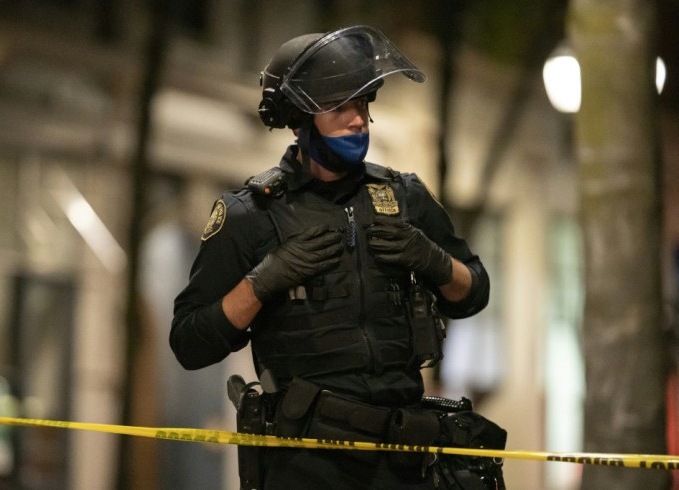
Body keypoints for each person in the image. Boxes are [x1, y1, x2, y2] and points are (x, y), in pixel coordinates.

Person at [171, 25, 506, 489]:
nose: (359, 121)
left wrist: (431, 259)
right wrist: (261, 283)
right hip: (307, 464)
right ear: (300, 117)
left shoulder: (403, 194)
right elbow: (189, 343)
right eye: (341, 107)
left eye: (365, 105)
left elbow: (475, 291)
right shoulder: (252, 212)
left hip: (405, 457)